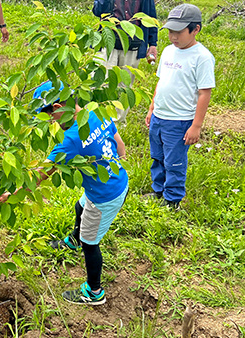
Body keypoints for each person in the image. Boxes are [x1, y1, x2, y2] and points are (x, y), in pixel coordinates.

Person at [34, 81, 129, 305]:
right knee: (79, 207)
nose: (50, 121)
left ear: (57, 108)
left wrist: (15, 192)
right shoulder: (95, 112)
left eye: (49, 115)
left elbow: (42, 172)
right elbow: (119, 142)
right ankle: (74, 240)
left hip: (104, 196)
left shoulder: (72, 139)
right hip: (116, 181)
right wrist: (119, 164)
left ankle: (94, 292)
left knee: (91, 242)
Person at [145, 4, 215, 209]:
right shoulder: (167, 52)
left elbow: (204, 93)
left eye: (179, 32)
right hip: (159, 116)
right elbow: (161, 82)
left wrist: (196, 126)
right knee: (157, 157)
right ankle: (158, 190)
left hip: (179, 120)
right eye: (170, 32)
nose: (173, 37)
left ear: (196, 29)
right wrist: (151, 109)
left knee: (174, 161)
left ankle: (172, 199)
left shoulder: (201, 57)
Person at [93, 0, 158, 122]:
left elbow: (150, 17)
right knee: (101, 82)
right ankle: (98, 120)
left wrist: (152, 43)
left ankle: (118, 122)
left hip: (133, 43)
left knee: (125, 86)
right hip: (108, 42)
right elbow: (97, 11)